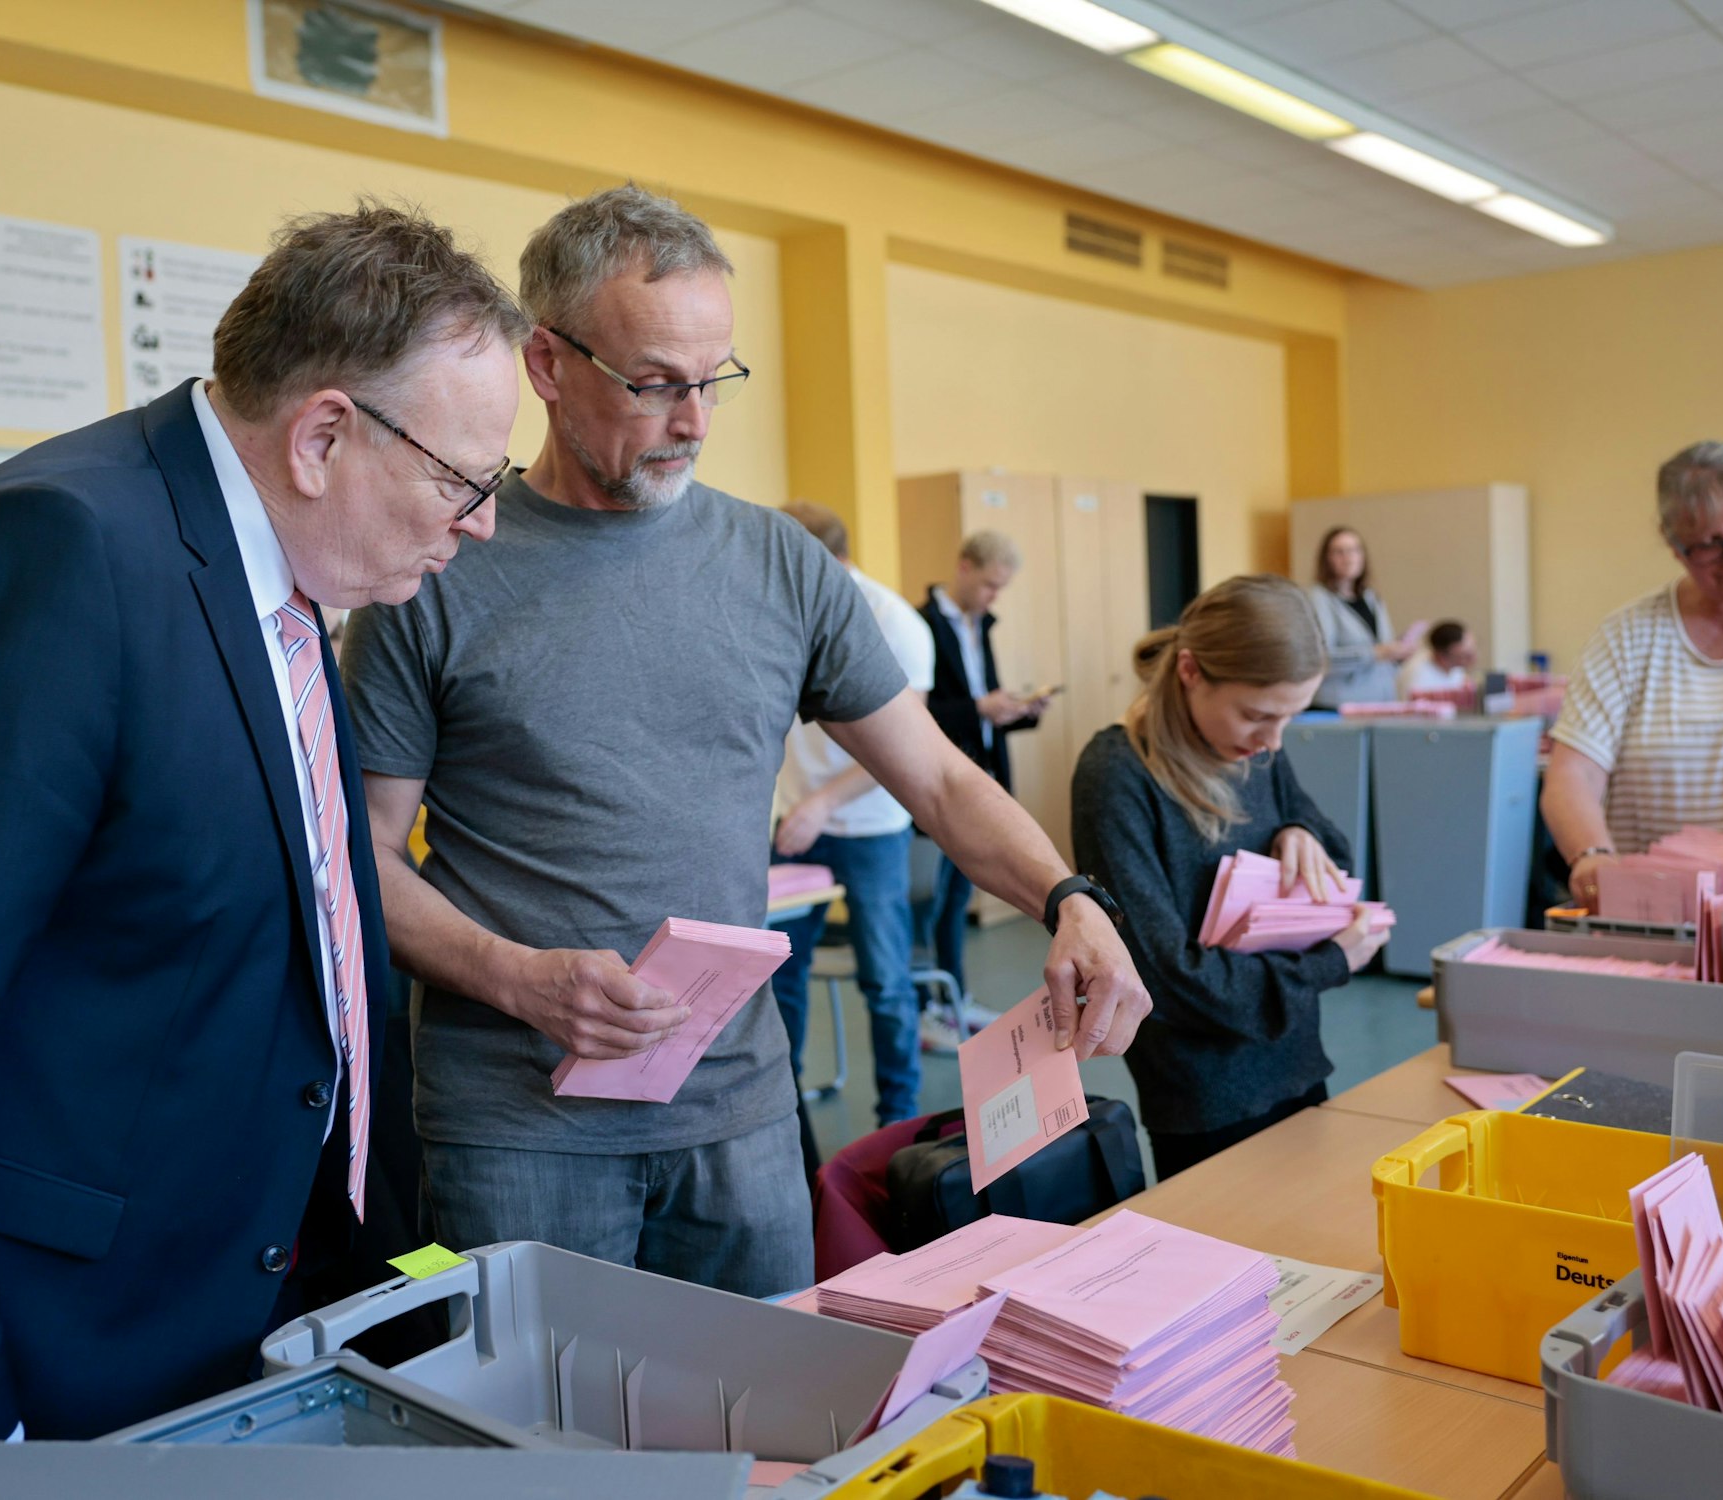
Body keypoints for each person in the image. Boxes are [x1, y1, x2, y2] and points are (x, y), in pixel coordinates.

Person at [0, 203, 527, 1495]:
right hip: (44, 1362)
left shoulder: (290, 589)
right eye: (466, 481)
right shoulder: (61, 550)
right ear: (325, 433)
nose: (484, 523)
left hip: (240, 1324)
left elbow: (303, 959)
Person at [344, 185, 1150, 1299]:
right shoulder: (432, 572)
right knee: (549, 1456)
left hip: (741, 1117)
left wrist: (1069, 897)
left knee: (770, 1442)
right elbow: (358, 859)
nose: (691, 422)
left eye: (712, 380)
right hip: (516, 1131)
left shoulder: (777, 566)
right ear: (546, 363)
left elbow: (942, 784)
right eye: (653, 384)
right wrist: (519, 979)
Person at [1070, 575, 1389, 1181]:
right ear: (1190, 671)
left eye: (1289, 719)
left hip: (1295, 1057)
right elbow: (1165, 977)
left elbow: (1332, 849)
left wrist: (1299, 831)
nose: (1272, 741)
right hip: (1205, 1097)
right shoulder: (1116, 776)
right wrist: (1328, 964)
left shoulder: (1254, 745)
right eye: (1256, 715)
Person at [1543, 441, 1723, 908]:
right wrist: (1593, 857)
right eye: (1709, 546)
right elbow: (1573, 773)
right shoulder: (1629, 635)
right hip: (1649, 909)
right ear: (1676, 548)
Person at [771, 501, 935, 1127]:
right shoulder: (778, 605)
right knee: (779, 980)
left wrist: (821, 802)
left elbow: (904, 750)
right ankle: (785, 1122)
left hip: (868, 830)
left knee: (886, 984)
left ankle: (898, 1124)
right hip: (792, 826)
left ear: (830, 561)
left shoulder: (896, 624)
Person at [918, 530, 1052, 1042]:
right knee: (932, 905)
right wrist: (980, 708)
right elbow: (915, 715)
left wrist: (1018, 711)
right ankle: (930, 1007)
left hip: (980, 775)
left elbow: (982, 712)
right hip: (938, 783)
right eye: (991, 585)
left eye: (1002, 588)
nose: (995, 597)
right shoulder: (923, 624)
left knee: (954, 901)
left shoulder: (982, 625)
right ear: (964, 567)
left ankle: (955, 997)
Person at [1306, 526, 1416, 707]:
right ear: (1327, 559)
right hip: (1339, 704)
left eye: (1354, 550)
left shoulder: (1371, 597)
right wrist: (1375, 653)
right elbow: (1321, 658)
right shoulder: (1319, 599)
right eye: (1339, 552)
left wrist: (1397, 652)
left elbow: (1382, 649)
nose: (1348, 557)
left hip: (1380, 700)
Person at [1396, 620, 1477, 698]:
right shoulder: (1417, 675)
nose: (1473, 659)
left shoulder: (1456, 669)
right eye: (1465, 656)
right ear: (1442, 656)